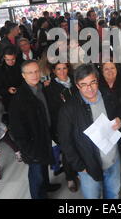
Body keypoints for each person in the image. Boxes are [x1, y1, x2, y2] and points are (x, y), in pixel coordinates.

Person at [58, 64, 121, 199]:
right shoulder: (68, 109)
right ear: (77, 86)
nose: (89, 88)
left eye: (92, 82)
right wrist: (80, 167)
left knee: (113, 194)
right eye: (84, 84)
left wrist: (119, 121)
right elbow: (65, 142)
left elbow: (118, 114)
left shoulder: (108, 96)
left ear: (97, 81)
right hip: (88, 166)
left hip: (113, 159)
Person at [8, 60, 61, 199]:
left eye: (37, 71)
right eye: (30, 72)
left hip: (44, 134)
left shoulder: (40, 88)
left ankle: (47, 186)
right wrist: (29, 151)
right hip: (33, 144)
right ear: (23, 75)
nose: (34, 75)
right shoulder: (19, 99)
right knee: (36, 173)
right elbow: (17, 130)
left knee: (44, 165)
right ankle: (38, 196)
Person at [44, 62, 79, 192]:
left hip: (78, 122)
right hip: (62, 126)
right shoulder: (49, 88)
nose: (62, 71)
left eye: (64, 68)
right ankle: (70, 178)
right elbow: (51, 111)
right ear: (54, 71)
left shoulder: (76, 82)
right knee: (67, 151)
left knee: (80, 147)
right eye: (59, 69)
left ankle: (79, 171)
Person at [0, 46, 23, 126]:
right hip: (8, 100)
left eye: (13, 59)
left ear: (15, 56)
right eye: (8, 60)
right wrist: (7, 90)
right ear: (4, 58)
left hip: (22, 95)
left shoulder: (21, 65)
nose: (11, 62)